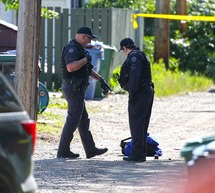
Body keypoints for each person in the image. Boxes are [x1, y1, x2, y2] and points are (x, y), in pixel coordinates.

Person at [57, 27, 111, 159]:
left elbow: (86, 69)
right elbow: (71, 67)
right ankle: (63, 150)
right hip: (73, 88)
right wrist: (85, 60)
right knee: (73, 119)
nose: (89, 42)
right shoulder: (72, 49)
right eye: (89, 38)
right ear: (82, 36)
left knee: (83, 120)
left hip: (77, 89)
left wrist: (100, 80)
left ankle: (90, 149)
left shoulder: (79, 49)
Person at [118, 38, 154, 162]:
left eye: (122, 51)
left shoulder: (134, 57)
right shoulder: (140, 55)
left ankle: (138, 153)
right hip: (145, 92)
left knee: (136, 123)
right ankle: (140, 151)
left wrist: (132, 93)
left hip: (139, 93)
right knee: (142, 123)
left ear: (124, 48)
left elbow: (134, 78)